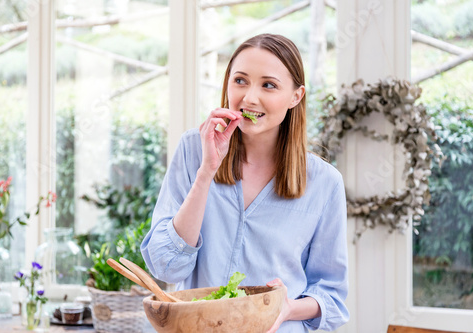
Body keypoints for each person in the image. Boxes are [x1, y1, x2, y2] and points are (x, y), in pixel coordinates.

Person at [141, 33, 349, 332]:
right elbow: (165, 266)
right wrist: (206, 172)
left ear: (296, 96)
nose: (250, 98)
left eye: (268, 85)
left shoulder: (325, 183)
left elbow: (332, 296)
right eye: (240, 80)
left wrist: (288, 308)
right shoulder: (193, 149)